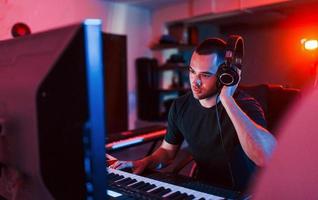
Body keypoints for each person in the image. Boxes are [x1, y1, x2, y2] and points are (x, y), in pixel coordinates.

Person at [110, 37, 277, 191]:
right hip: (202, 189)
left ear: (224, 76)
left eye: (205, 75)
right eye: (192, 71)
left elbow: (265, 157)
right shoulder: (180, 106)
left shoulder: (246, 106)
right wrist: (144, 162)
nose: (195, 82)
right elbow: (167, 153)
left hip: (244, 193)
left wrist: (226, 98)